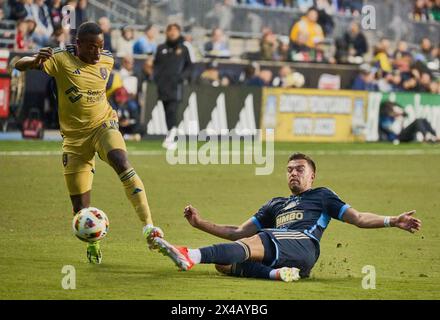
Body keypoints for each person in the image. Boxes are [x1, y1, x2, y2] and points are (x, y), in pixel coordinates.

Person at [14, 21, 164, 264]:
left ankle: (149, 227)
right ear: (79, 45)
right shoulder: (60, 59)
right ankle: (93, 241)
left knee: (121, 161)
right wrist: (32, 62)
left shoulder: (107, 59)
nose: (97, 52)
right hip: (74, 141)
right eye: (92, 47)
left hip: (103, 125)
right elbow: (16, 64)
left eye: (100, 46)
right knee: (80, 210)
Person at [153, 153, 422, 282]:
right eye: (290, 169)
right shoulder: (276, 204)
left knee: (257, 240)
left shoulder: (322, 196)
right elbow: (237, 232)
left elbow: (359, 218)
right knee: (223, 264)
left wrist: (392, 220)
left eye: (300, 169)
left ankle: (191, 256)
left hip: (304, 245)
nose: (294, 173)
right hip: (286, 254)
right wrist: (200, 223)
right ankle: (276, 274)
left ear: (312, 175)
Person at [154, 23, 194, 150]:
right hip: (163, 85)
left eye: (175, 31)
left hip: (176, 86)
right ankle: (170, 134)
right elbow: (156, 65)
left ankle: (172, 134)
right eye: (170, 30)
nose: (172, 33)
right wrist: (156, 78)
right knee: (166, 111)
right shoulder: (161, 48)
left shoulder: (184, 48)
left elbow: (190, 66)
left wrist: (182, 77)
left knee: (173, 109)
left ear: (179, 32)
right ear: (166, 33)